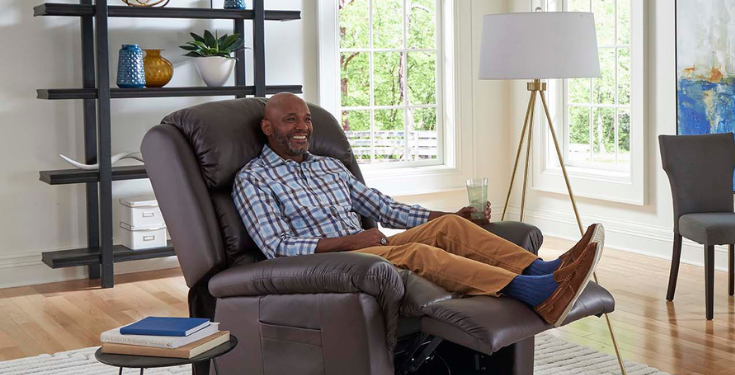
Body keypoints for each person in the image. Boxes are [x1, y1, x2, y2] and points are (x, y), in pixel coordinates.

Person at [232, 94, 602, 326]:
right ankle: (532, 291)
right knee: (416, 252)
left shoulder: (326, 165)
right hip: (329, 264)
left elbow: (383, 207)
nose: (303, 127)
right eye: (290, 120)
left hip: (367, 248)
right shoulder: (253, 179)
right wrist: (350, 240)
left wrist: (449, 216)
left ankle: (546, 269)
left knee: (449, 231)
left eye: (307, 119)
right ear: (267, 127)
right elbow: (276, 246)